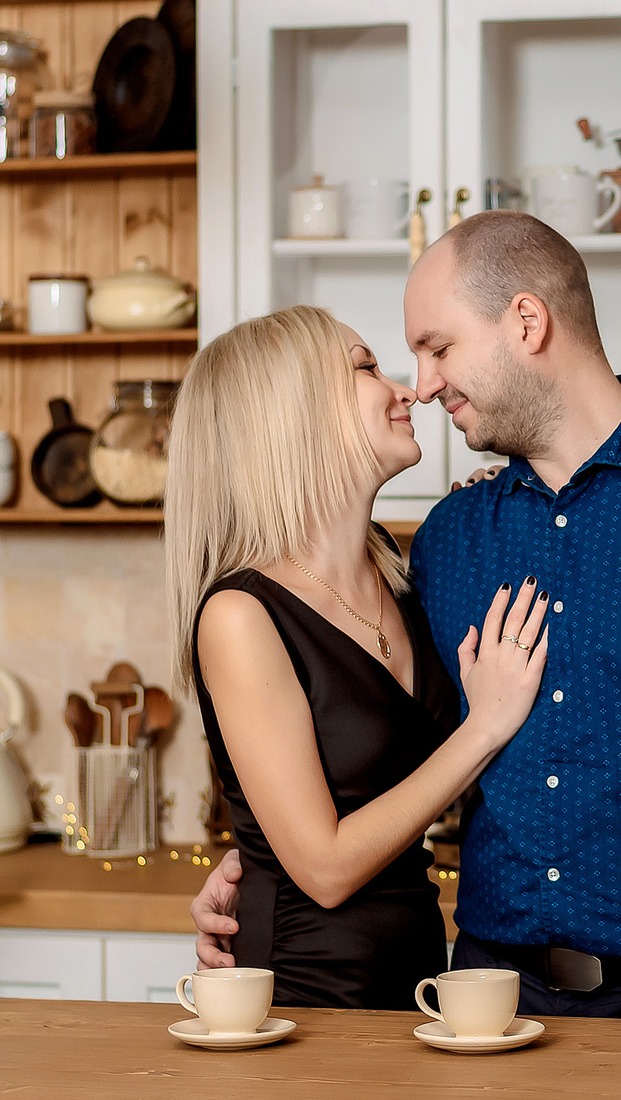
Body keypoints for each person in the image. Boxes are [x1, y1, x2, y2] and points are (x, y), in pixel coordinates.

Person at [196, 211, 621, 1023]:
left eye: (438, 347)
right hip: (493, 998)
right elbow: (383, 737)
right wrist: (262, 854)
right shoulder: (451, 539)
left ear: (526, 322)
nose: (422, 385)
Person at [167, 305, 549, 1010]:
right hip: (306, 989)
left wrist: (502, 517)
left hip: (416, 971)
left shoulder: (402, 576)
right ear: (294, 413)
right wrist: (484, 726)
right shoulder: (240, 615)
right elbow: (326, 868)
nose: (408, 390)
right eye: (367, 368)